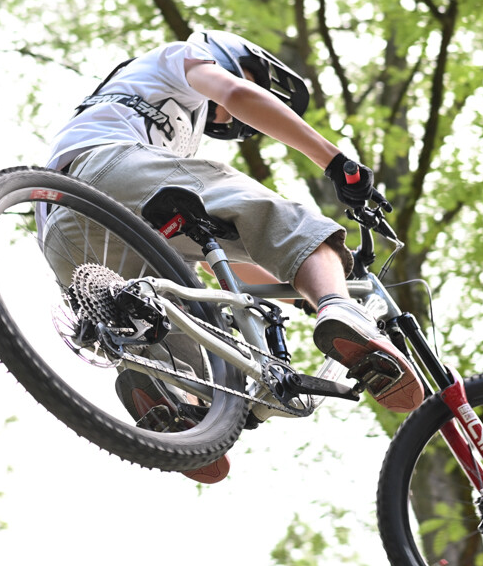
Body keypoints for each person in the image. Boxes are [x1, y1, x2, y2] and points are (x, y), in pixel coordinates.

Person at [45, 30, 423, 483]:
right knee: (294, 224)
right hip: (110, 167)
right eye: (255, 78)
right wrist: (335, 163)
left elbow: (217, 252)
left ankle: (174, 398)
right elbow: (238, 94)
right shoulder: (183, 55)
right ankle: (339, 308)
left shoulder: (151, 122)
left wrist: (300, 289)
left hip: (61, 230)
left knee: (170, 319)